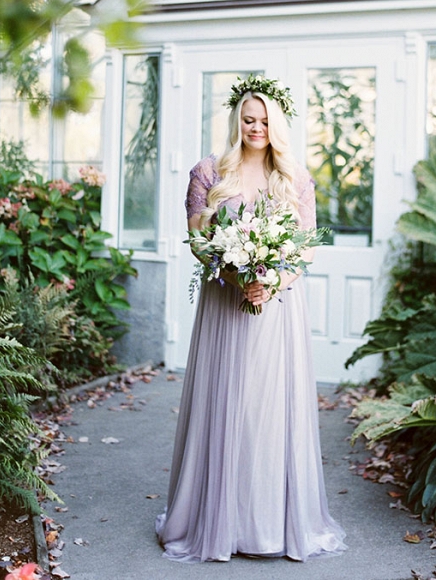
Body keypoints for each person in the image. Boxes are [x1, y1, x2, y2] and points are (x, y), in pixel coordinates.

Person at [155, 74, 347, 563]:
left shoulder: (296, 179)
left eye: (264, 120)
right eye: (248, 119)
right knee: (228, 405)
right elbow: (198, 240)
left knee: (269, 410)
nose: (255, 127)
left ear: (276, 124)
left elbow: (302, 253)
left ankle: (271, 525)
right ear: (235, 121)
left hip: (277, 313)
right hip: (226, 305)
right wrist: (236, 275)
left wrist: (272, 282)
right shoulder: (208, 172)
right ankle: (218, 520)